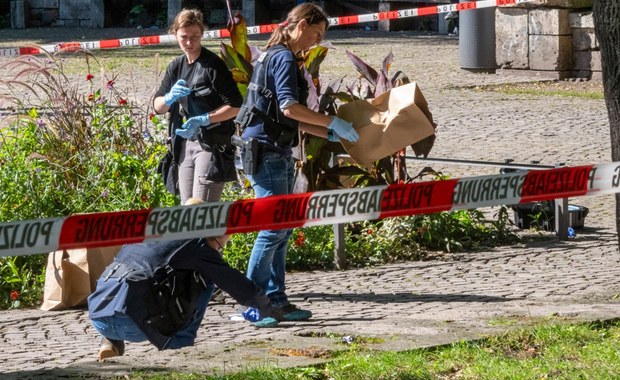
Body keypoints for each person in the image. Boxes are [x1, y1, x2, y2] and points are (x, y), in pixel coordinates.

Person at [233, 3, 359, 322]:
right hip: (266, 151)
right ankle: (253, 304)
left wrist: (327, 132)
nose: (316, 41)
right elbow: (290, 107)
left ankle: (276, 300)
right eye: (316, 33)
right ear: (301, 25)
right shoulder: (284, 57)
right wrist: (332, 122)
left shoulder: (276, 54)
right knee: (274, 227)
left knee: (283, 228)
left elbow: (286, 117)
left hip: (274, 148)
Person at [88, 200, 279, 361]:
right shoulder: (197, 244)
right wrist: (269, 307)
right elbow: (236, 284)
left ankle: (110, 341)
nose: (219, 250)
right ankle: (180, 351)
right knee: (206, 281)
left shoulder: (148, 232)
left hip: (99, 312)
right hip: (134, 324)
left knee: (128, 284)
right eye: (220, 245)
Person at [153, 8, 243, 205]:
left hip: (211, 144)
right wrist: (169, 98)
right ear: (175, 34)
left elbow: (236, 106)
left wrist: (204, 119)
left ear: (202, 34)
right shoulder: (176, 66)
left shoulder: (213, 65)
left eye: (194, 36)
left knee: (201, 208)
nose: (189, 42)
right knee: (187, 208)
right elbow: (158, 106)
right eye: (184, 37)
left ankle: (210, 237)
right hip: (185, 143)